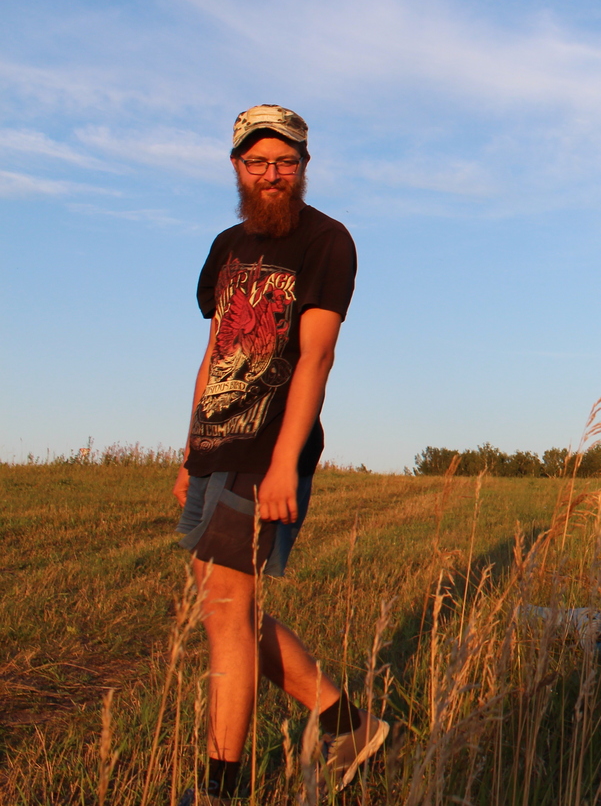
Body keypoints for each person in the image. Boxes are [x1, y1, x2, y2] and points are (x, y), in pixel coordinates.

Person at [171, 105, 386, 803]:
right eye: (257, 162)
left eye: (284, 162)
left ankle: (220, 789)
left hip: (267, 448)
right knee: (224, 610)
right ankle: (347, 724)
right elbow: (215, 350)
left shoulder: (328, 241)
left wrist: (288, 459)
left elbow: (316, 358)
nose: (271, 174)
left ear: (304, 167)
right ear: (236, 166)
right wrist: (189, 451)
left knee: (227, 616)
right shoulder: (226, 246)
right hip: (214, 445)